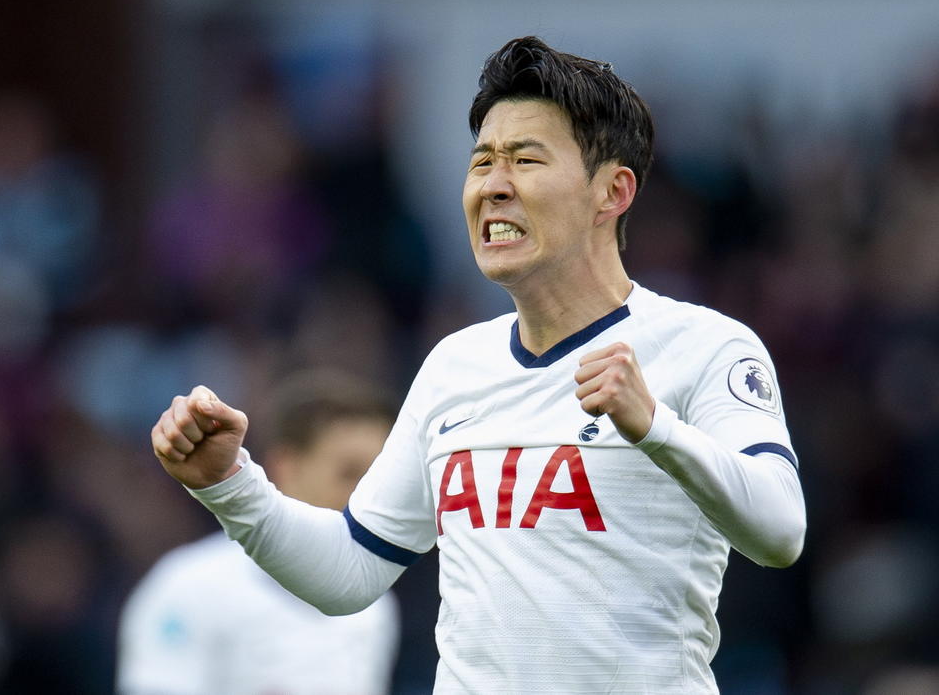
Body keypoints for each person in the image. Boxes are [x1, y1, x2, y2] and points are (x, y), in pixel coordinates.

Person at [151, 36, 806, 693]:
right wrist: (228, 483)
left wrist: (655, 427)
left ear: (612, 191)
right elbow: (350, 569)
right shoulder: (454, 367)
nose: (493, 186)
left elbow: (781, 529)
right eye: (482, 162)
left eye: (525, 159)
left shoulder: (706, 347)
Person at [123, 370, 400, 695]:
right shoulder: (188, 586)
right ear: (286, 467)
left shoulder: (375, 607)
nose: (367, 495)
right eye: (349, 473)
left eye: (377, 479)